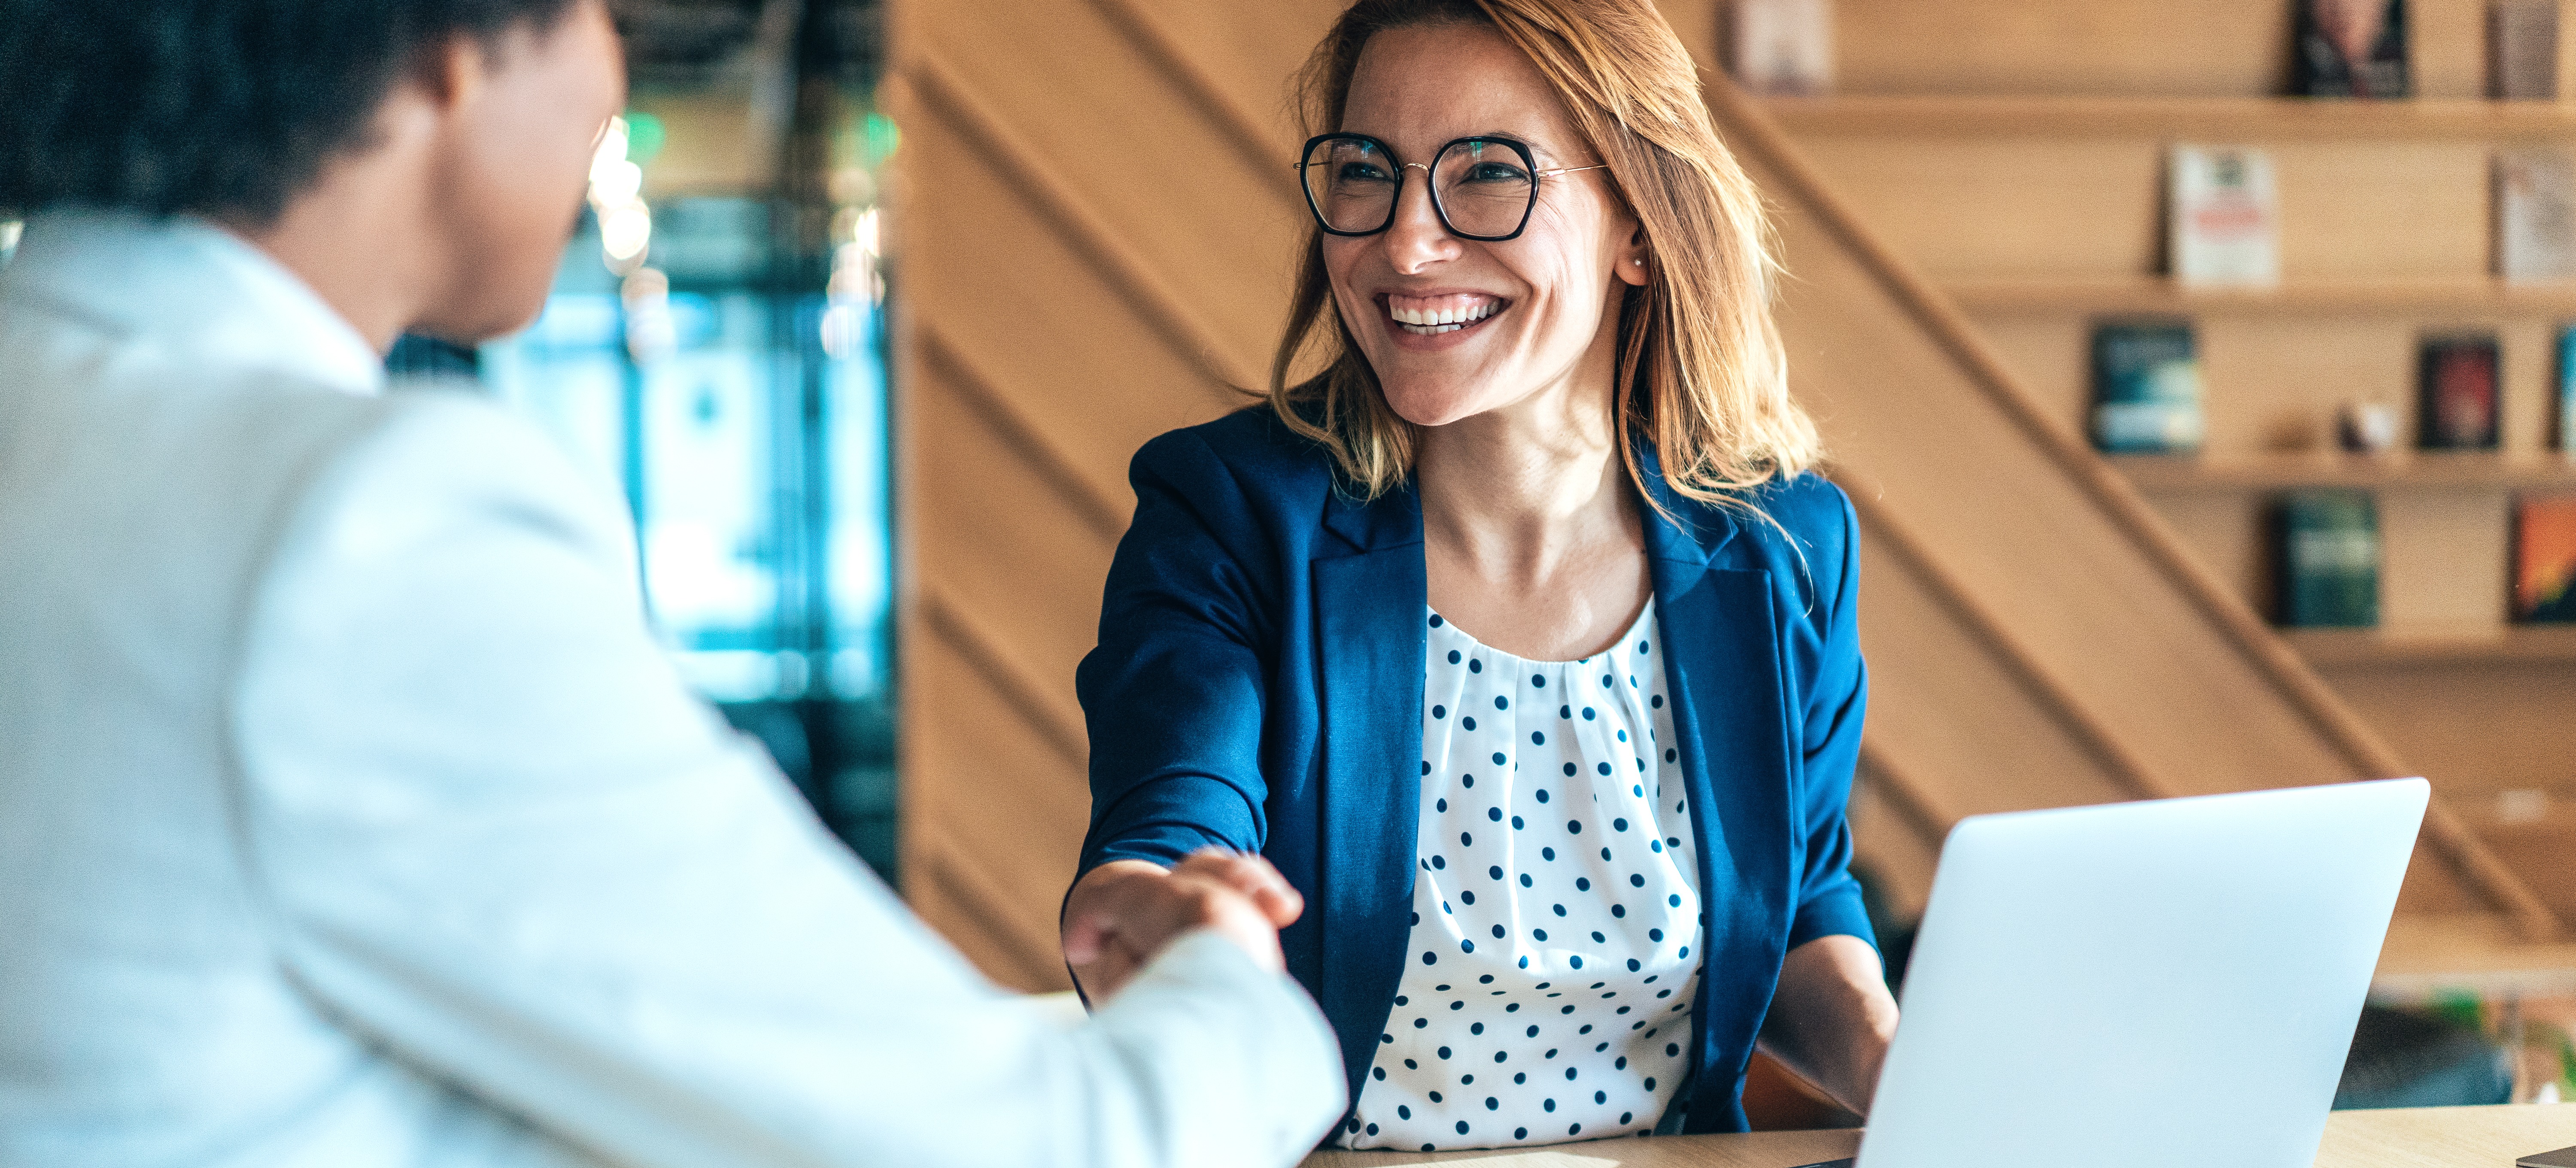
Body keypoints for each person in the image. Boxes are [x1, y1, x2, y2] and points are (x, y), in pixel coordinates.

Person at [0, 2, 1344, 1165]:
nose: (616, 81)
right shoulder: (355, 530)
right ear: (445, 54)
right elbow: (1076, 1147)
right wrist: (1227, 974)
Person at [1058, 0, 1900, 1153]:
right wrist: (1159, 907)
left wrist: (1905, 1070)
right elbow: (1174, 820)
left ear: (1641, 224)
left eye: (1490, 175)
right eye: (1366, 172)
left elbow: (1804, 903)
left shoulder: (1786, 544)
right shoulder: (1230, 512)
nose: (1406, 244)